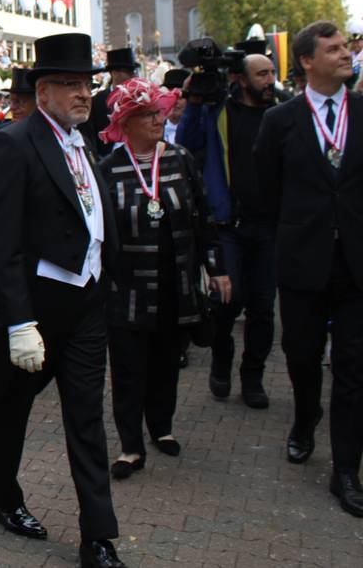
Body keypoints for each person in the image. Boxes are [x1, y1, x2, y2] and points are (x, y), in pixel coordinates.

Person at [0, 32, 126, 568]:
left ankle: (98, 537)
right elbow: (2, 241)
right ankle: (3, 498)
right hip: (35, 309)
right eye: (70, 83)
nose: (83, 93)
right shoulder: (14, 144)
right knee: (9, 409)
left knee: (86, 419)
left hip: (85, 307)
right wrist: (19, 322)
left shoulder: (84, 144)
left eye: (87, 83)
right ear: (42, 91)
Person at [255, 21, 363, 517]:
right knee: (301, 355)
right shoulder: (280, 121)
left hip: (356, 263)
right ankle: (304, 418)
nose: (346, 54)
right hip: (303, 261)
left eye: (346, 47)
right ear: (306, 61)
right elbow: (265, 192)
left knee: (353, 367)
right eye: (334, 49)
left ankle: (346, 470)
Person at [97, 79, 229, 480]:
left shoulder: (180, 158)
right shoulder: (108, 170)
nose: (159, 119)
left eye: (159, 112)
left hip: (175, 285)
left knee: (166, 363)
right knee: (128, 368)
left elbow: (203, 216)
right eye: (148, 115)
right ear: (126, 123)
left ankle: (161, 427)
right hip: (127, 290)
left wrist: (216, 267)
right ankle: (130, 446)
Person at [177, 52, 278, 407]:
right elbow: (187, 142)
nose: (270, 80)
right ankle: (221, 360)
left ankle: (253, 376)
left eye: (272, 73)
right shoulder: (217, 112)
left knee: (263, 309)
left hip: (268, 228)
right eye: (262, 74)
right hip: (229, 227)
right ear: (241, 79)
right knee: (225, 302)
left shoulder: (279, 114)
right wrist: (193, 100)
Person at [82, 47, 138, 156]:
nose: (133, 76)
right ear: (115, 73)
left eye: (133, 72)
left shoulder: (140, 99)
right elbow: (90, 139)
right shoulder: (96, 102)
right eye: (128, 72)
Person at [160, 68, 190, 145]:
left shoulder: (197, 129)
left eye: (180, 98)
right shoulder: (155, 128)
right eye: (170, 97)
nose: (174, 101)